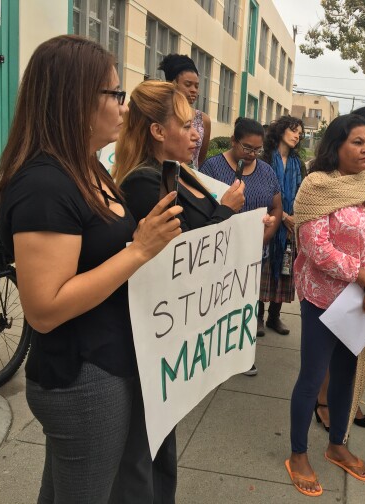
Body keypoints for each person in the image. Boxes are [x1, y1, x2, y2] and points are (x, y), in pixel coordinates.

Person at [0, 35, 183, 503]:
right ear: (75, 99)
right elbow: (44, 308)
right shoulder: (43, 184)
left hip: (106, 364)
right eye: (115, 94)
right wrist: (138, 250)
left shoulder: (87, 168)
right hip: (82, 378)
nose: (123, 106)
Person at [109, 80, 247, 503]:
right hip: (149, 333)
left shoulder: (176, 172)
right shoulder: (143, 182)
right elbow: (184, 250)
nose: (196, 134)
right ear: (156, 130)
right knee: (141, 448)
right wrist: (228, 214)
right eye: (186, 125)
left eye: (196, 126)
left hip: (170, 332)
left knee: (160, 442)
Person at [286, 114, 365, 496]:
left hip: (364, 304)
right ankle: (298, 453)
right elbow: (314, 246)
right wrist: (362, 275)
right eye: (357, 141)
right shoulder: (317, 186)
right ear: (335, 145)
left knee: (346, 374)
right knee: (313, 375)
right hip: (323, 300)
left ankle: (337, 444)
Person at [313, 106, 365, 433]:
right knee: (330, 351)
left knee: (359, 346)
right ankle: (323, 401)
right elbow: (317, 244)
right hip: (340, 280)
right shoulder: (324, 182)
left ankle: (349, 400)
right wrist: (363, 275)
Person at [201, 117, 283, 375]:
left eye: (257, 150)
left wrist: (264, 236)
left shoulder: (267, 171)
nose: (251, 155)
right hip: (219, 252)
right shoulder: (212, 168)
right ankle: (213, 355)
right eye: (246, 148)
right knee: (216, 305)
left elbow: (277, 207)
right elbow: (203, 208)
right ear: (233, 141)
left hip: (255, 253)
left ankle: (243, 355)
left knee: (246, 305)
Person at [259, 116, 306, 335]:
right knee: (263, 271)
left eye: (300, 132)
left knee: (285, 269)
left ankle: (274, 317)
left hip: (289, 228)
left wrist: (293, 218)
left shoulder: (299, 164)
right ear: (280, 131)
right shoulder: (265, 159)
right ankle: (257, 317)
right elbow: (261, 192)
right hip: (268, 221)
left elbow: (303, 195)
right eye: (293, 130)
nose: (297, 135)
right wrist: (283, 216)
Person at [159, 54, 211, 169]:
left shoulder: (203, 120)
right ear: (171, 83)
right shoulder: (160, 114)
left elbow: (200, 159)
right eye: (188, 85)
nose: (193, 90)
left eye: (196, 86)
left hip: (191, 178)